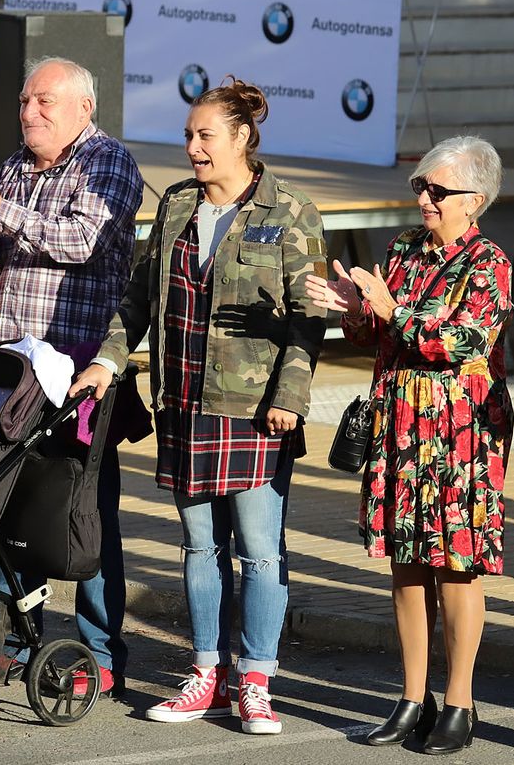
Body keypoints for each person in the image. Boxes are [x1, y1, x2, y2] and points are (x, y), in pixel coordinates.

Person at [73, 79, 326, 734]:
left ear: (242, 137)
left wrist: (289, 397)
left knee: (260, 551)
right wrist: (108, 360)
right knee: (199, 545)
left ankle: (256, 681)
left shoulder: (290, 209)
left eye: (205, 135)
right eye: (189, 135)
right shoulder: (178, 203)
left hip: (256, 410)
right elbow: (139, 297)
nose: (193, 147)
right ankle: (206, 673)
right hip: (183, 404)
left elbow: (309, 319)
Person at [305, 136, 514, 755]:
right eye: (421, 186)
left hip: (461, 431)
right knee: (407, 562)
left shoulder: (489, 262)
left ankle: (460, 703)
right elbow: (376, 335)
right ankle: (412, 698)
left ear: (474, 200)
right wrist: (355, 310)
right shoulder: (403, 249)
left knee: (456, 565)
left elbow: (459, 343)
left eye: (439, 190)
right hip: (400, 424)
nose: (425, 197)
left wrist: (390, 310)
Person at [0, 57, 146, 695]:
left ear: (84, 108)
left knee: (85, 512)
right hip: (21, 367)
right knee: (17, 503)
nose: (28, 112)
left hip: (83, 368)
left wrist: (1, 216)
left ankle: (99, 653)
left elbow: (81, 240)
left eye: (44, 102)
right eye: (24, 101)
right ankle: (17, 640)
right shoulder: (13, 168)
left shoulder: (107, 162)